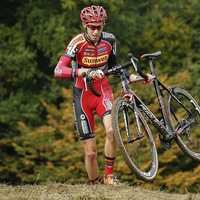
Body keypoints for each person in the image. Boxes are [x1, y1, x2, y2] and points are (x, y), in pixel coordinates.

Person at [54, 5, 154, 185]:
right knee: (91, 153)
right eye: (91, 27)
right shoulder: (77, 42)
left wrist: (136, 77)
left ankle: (109, 176)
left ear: (103, 25)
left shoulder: (110, 40)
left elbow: (115, 68)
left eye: (99, 27)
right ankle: (94, 186)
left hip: (102, 92)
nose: (95, 31)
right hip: (82, 95)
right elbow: (58, 70)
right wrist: (83, 72)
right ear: (85, 25)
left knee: (111, 132)